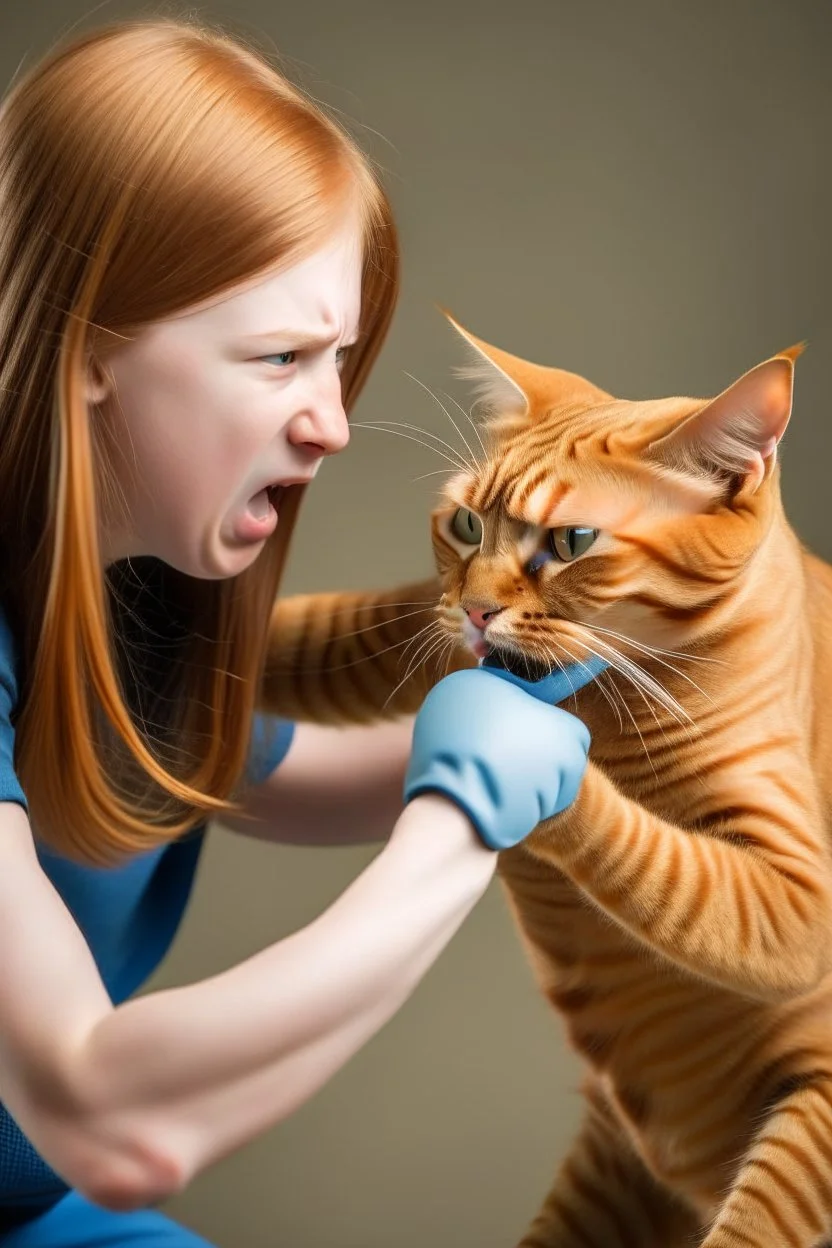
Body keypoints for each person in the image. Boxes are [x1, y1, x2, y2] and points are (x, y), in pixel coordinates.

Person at [0, 17, 593, 1246]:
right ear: (90, 347)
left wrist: (570, 707)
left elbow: (266, 778)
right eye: (278, 357)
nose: (330, 425)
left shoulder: (127, 595)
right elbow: (101, 1116)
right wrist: (459, 824)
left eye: (339, 361)